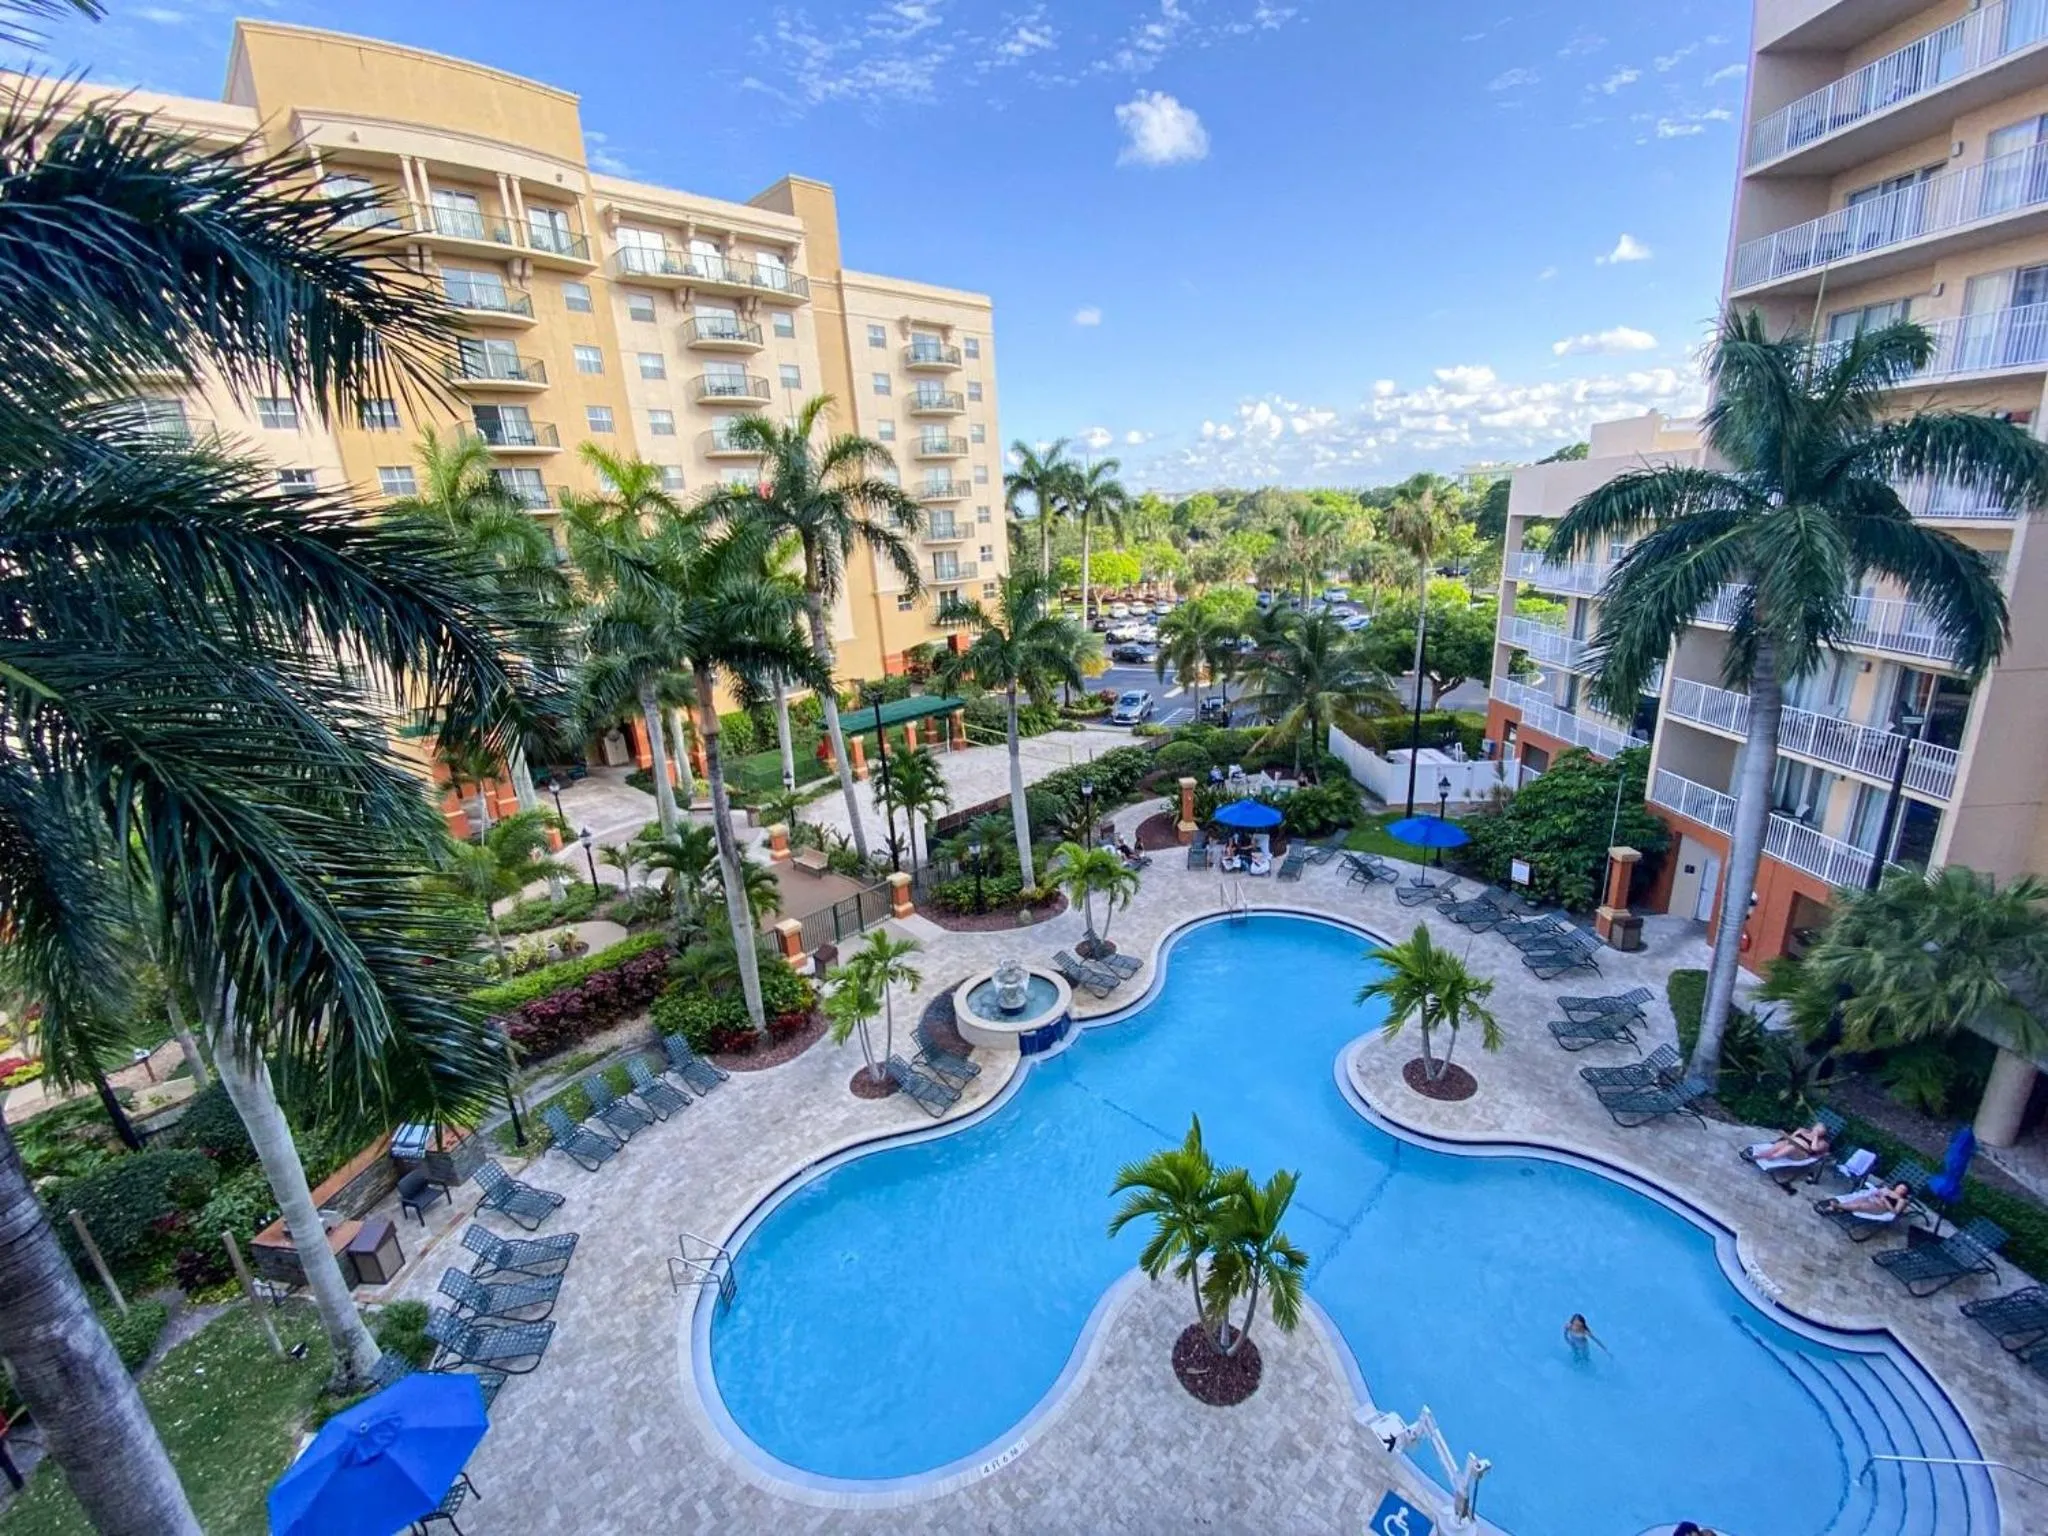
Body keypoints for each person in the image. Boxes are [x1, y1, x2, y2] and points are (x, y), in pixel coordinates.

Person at [1743, 1122, 1832, 1165]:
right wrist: (1786, 1136)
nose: (1816, 1130)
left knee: (1791, 1147)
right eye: (1816, 1127)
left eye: (1819, 1130)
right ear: (1813, 1126)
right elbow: (1791, 1138)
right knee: (1783, 1144)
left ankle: (1771, 1158)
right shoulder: (1802, 1130)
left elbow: (1814, 1149)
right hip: (1791, 1144)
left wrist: (1815, 1136)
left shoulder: (1822, 1143)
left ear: (1823, 1133)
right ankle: (1759, 1156)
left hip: (1801, 1153)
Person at [1817, 1182, 1912, 1221]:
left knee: (1860, 1206)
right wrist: (1877, 1193)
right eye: (1900, 1187)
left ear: (1906, 1192)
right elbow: (1875, 1193)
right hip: (1872, 1199)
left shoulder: (1901, 1200)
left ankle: (1836, 1206)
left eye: (1904, 1189)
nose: (1901, 1190)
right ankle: (1838, 1208)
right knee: (1857, 1201)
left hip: (1880, 1207)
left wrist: (1885, 1201)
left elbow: (1894, 1212)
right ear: (1897, 1186)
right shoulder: (1887, 1189)